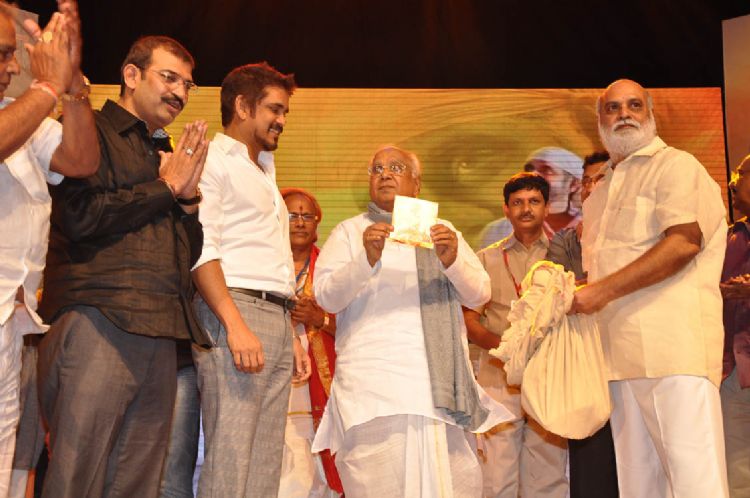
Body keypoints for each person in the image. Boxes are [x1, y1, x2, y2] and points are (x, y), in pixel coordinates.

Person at [37, 35, 210, 498]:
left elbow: (184, 256)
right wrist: (165, 189)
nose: (180, 92)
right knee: (77, 476)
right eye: (169, 78)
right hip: (100, 318)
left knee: (138, 484)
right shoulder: (87, 128)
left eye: (188, 85)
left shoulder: (164, 151)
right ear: (131, 75)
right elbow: (80, 216)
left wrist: (187, 201)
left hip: (161, 333)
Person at [311, 145, 513, 497]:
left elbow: (479, 294)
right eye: (377, 169)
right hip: (372, 390)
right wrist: (365, 258)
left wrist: (451, 261)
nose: (385, 175)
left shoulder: (442, 232)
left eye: (396, 167)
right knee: (374, 485)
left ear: (416, 184)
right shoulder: (350, 232)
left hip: (438, 389)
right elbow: (326, 297)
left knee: (453, 484)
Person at [572, 79, 729, 498]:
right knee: (638, 488)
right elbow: (604, 273)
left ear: (651, 113)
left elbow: (683, 243)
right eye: (613, 107)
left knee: (695, 484)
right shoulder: (599, 192)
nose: (624, 114)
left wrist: (597, 293)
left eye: (634, 105)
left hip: (674, 353)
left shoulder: (676, 165)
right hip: (617, 361)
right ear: (599, 120)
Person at [191, 62, 311, 498]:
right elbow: (201, 250)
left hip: (274, 317)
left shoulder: (262, 168)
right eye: (274, 109)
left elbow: (270, 261)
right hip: (236, 311)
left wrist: (290, 331)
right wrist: (234, 324)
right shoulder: (212, 161)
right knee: (232, 457)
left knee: (264, 461)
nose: (281, 120)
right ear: (242, 106)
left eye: (284, 112)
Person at [0, 1, 98, 495]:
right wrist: (45, 86)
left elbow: (80, 160)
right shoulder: (22, 111)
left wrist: (73, 83)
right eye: (2, 54)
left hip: (10, 318)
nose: (13, 64)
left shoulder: (19, 114)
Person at [464, 172, 568, 498]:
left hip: (549, 374)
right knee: (497, 477)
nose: (526, 209)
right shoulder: (485, 259)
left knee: (548, 475)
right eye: (518, 202)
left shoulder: (564, 257)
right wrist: (506, 349)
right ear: (506, 209)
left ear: (547, 207)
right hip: (499, 375)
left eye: (534, 201)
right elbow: (469, 321)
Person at [546, 151, 619, 498]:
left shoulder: (636, 236)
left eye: (599, 179)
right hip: (586, 360)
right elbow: (558, 290)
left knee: (639, 459)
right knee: (591, 458)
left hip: (631, 354)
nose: (590, 187)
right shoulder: (566, 240)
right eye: (586, 180)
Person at [278, 187, 342, 497]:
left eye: (308, 216)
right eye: (292, 215)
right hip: (274, 378)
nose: (300, 222)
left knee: (321, 471)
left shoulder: (331, 269)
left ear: (317, 224)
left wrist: (320, 319)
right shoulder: (262, 268)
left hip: (323, 385)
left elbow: (357, 329)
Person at [478, 147, 583, 248]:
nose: (533, 175)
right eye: (529, 169)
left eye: (547, 170)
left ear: (574, 184)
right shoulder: (498, 231)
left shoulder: (589, 228)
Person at [720, 155, 750, 497]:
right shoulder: (728, 237)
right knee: (737, 475)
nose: (733, 183)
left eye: (740, 175)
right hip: (734, 374)